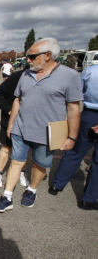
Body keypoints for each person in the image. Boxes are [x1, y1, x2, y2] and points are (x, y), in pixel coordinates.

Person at [0, 38, 83, 213]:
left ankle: (32, 190)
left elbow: (73, 109)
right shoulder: (26, 74)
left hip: (47, 133)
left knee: (39, 165)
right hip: (20, 128)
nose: (28, 60)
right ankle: (7, 197)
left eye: (32, 56)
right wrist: (11, 125)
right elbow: (18, 100)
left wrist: (72, 137)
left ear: (48, 55)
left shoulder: (69, 76)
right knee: (16, 161)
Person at [49, 64, 98, 210]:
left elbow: (77, 92)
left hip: (89, 113)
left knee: (75, 151)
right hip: (90, 113)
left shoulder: (91, 70)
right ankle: (88, 199)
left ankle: (57, 185)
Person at [0, 68, 28, 188]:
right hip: (10, 119)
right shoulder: (18, 76)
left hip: (31, 121)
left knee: (27, 149)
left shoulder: (46, 78)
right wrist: (9, 110)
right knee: (7, 147)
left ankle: (22, 172)